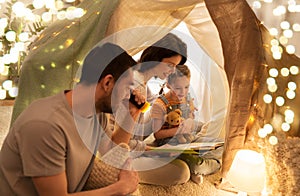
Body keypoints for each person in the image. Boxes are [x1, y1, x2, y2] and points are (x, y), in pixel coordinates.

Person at [0, 43, 140, 195]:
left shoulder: (97, 114)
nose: (128, 96)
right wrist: (120, 188)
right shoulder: (45, 125)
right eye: (127, 88)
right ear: (107, 83)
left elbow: (112, 154)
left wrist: (132, 113)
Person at [150, 64, 222, 184]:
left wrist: (189, 120)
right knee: (197, 165)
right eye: (178, 88)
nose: (183, 92)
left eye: (186, 87)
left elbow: (189, 116)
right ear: (168, 85)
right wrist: (178, 131)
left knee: (220, 145)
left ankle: (201, 162)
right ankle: (205, 167)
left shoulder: (186, 97)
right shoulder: (159, 105)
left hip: (188, 137)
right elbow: (157, 135)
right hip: (170, 144)